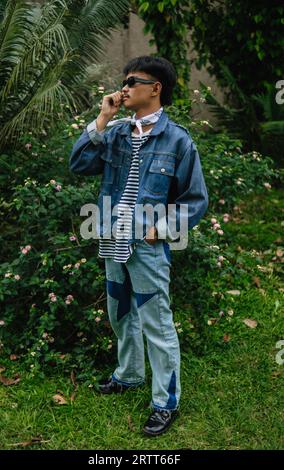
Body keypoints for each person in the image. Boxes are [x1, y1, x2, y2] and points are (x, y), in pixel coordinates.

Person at [69, 56, 209, 436]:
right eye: (124, 81)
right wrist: (101, 118)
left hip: (147, 246)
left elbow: (195, 199)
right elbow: (79, 163)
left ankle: (165, 402)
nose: (124, 87)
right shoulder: (114, 132)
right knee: (120, 314)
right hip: (113, 238)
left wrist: (159, 230)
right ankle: (128, 375)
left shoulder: (178, 139)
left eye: (133, 81)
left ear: (156, 88)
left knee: (156, 322)